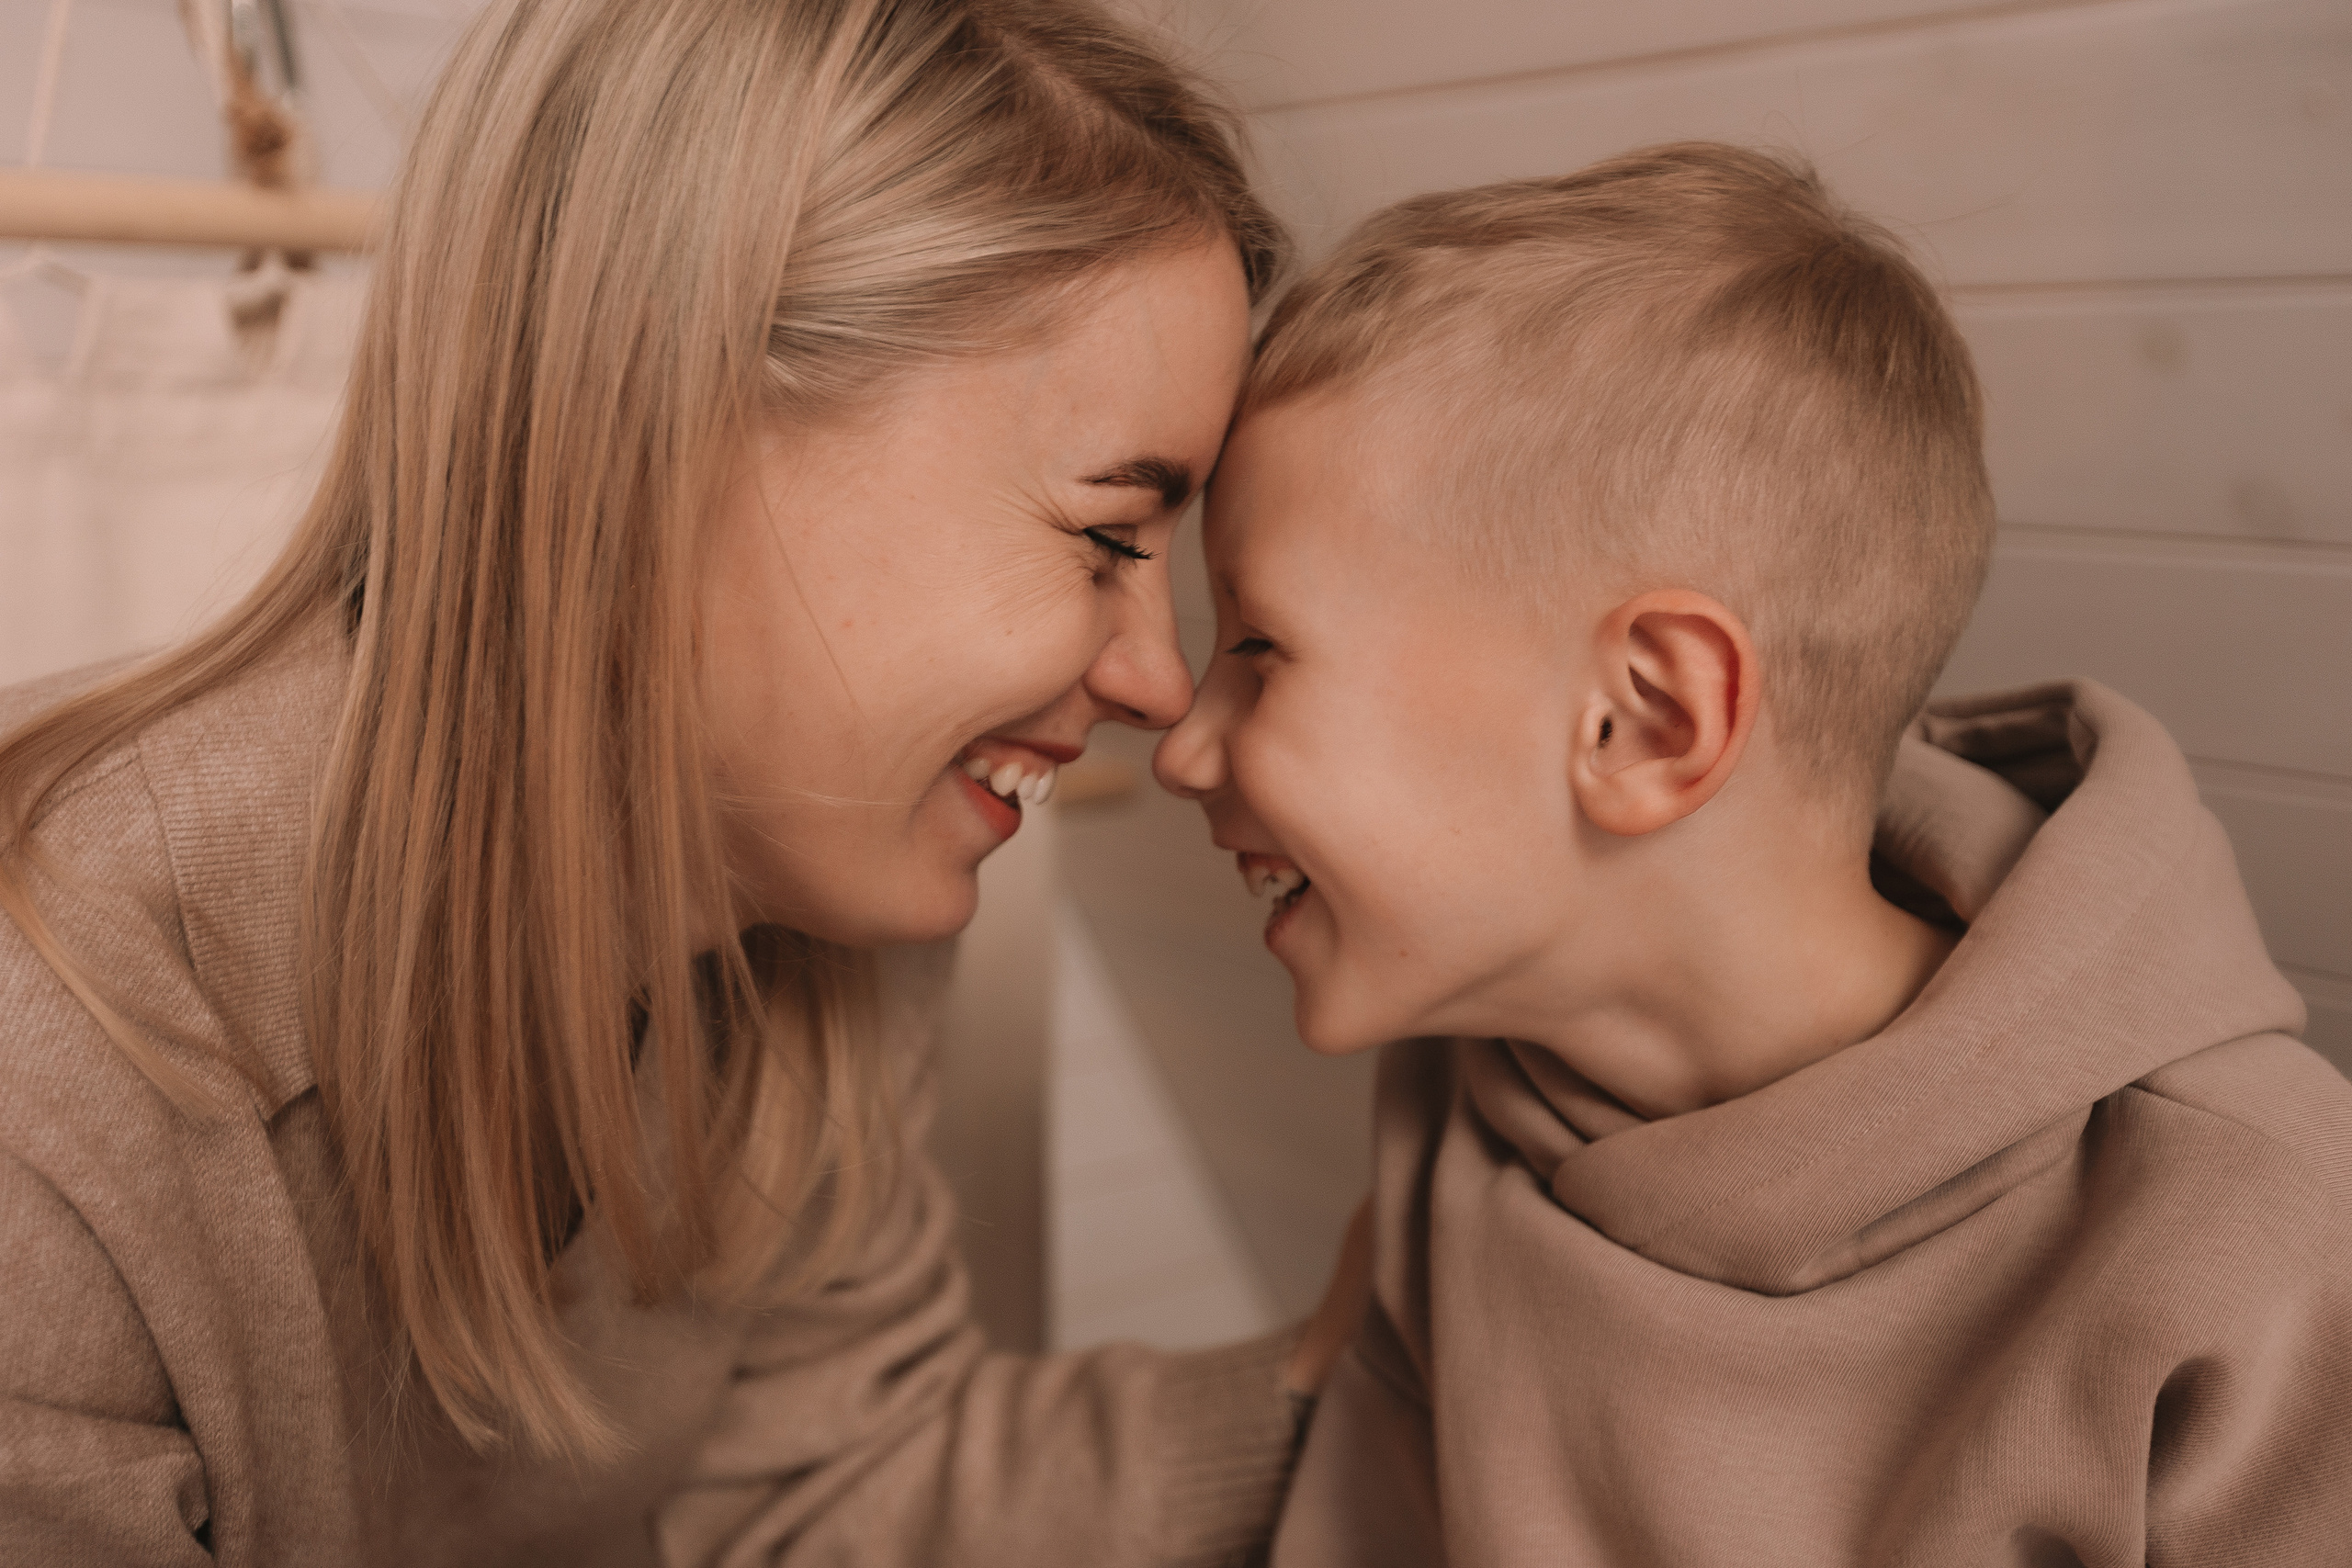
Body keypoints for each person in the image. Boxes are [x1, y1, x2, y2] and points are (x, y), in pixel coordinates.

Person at [0, 1, 1369, 1562]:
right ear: (670, 423)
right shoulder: (41, 1079)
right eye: (1109, 536)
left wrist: (1391, 1353)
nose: (1159, 681)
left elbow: (821, 1495)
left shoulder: (813, 908)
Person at [1155, 141, 2352, 1564]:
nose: (1178, 742)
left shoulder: (2269, 1231)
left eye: (1258, 648)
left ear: (1645, 718)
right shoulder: (1459, 1090)